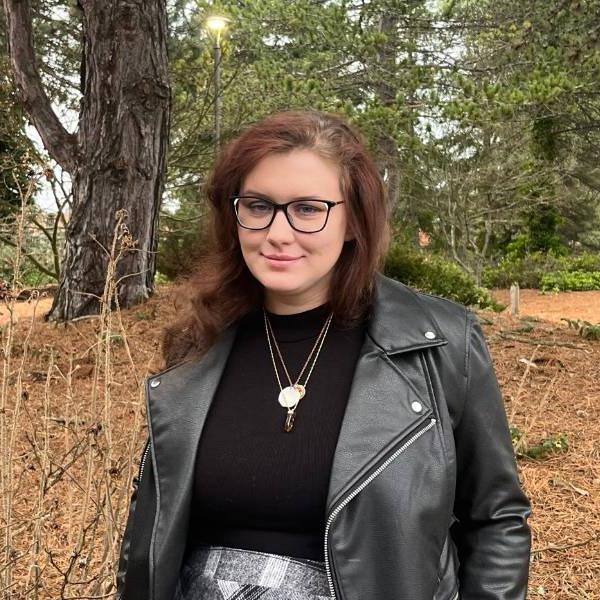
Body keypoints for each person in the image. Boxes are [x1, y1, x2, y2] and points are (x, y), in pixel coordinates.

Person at [116, 110, 531, 600]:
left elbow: (497, 518)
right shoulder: (200, 342)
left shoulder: (440, 343)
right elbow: (152, 527)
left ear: (353, 219)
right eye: (258, 205)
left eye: (308, 209)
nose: (278, 233)